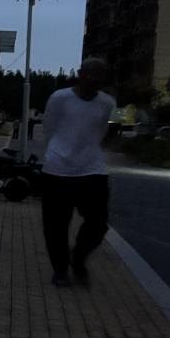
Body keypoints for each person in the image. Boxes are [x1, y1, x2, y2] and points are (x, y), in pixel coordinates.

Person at [40, 58, 115, 287]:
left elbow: (103, 132)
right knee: (56, 226)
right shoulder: (60, 98)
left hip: (92, 169)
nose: (94, 78)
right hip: (58, 170)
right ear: (80, 74)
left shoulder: (106, 103)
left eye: (99, 74)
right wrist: (57, 152)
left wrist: (89, 151)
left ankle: (79, 256)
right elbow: (49, 128)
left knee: (98, 222)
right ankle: (60, 270)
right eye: (90, 73)